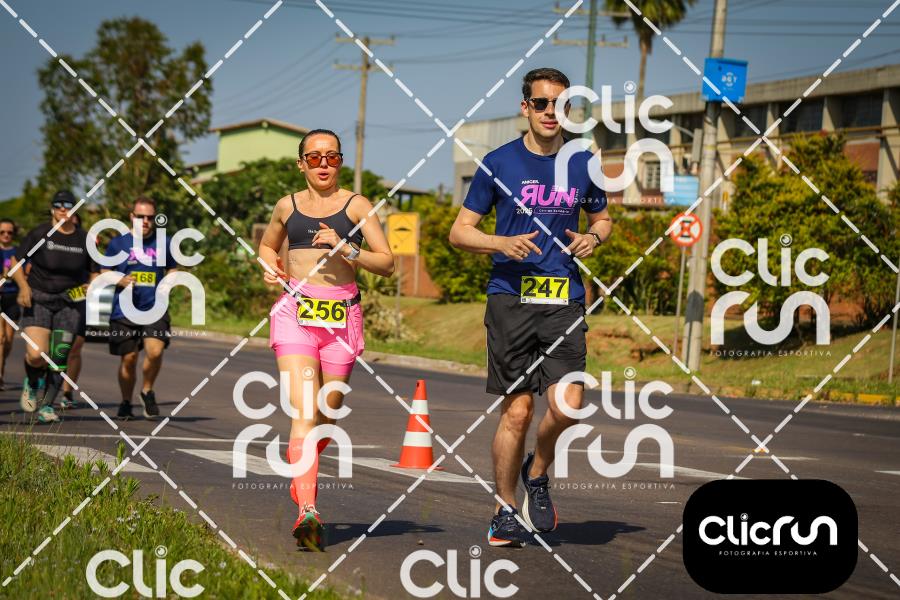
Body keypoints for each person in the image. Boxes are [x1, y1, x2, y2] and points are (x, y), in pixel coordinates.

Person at [449, 67, 612, 547]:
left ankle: (536, 472)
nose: (550, 112)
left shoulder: (582, 161)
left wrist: (592, 237)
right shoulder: (498, 162)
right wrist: (500, 242)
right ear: (526, 108)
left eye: (560, 104)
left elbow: (603, 220)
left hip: (564, 297)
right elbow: (459, 232)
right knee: (517, 411)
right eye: (541, 103)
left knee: (568, 406)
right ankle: (504, 510)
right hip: (510, 297)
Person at [258, 128, 394, 551]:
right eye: (314, 157)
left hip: (342, 318)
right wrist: (269, 267)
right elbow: (266, 246)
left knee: (326, 416)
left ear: (340, 162)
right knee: (304, 411)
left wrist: (346, 248)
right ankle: (308, 511)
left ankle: (304, 472)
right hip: (296, 315)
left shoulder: (357, 206)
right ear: (301, 164)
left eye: (331, 157)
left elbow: (387, 263)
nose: (323, 164)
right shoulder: (287, 206)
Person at [10, 190, 97, 423]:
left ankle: (47, 406)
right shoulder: (40, 233)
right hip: (38, 298)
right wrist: (23, 286)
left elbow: (95, 271)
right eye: (58, 205)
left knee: (59, 357)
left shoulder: (84, 239)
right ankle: (32, 381)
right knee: (36, 354)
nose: (63, 209)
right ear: (52, 209)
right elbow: (16, 261)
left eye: (68, 205)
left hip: (70, 303)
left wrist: (90, 286)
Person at [101, 196, 172, 420]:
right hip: (124, 309)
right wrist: (120, 280)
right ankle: (125, 402)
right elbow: (104, 271)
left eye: (150, 217)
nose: (145, 221)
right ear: (132, 217)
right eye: (141, 217)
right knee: (129, 358)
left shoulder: (164, 242)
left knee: (155, 351)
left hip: (155, 306)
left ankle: (147, 390)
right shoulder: (118, 244)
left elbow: (172, 268)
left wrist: (168, 283)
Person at [0, 218, 20, 390]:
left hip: (13, 297)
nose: (6, 235)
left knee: (9, 340)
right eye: (2, 232)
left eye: (9, 232)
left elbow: (25, 274)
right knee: (1, 338)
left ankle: (2, 363)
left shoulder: (17, 252)